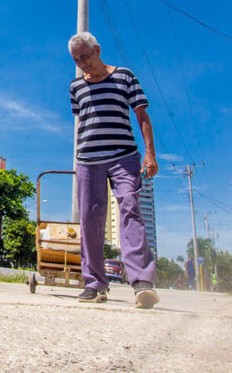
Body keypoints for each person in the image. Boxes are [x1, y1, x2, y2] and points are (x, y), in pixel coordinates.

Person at [68, 32, 159, 309]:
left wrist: (150, 154)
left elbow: (141, 115)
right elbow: (83, 121)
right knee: (90, 220)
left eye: (85, 55)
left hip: (124, 157)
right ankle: (95, 284)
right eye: (76, 59)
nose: (82, 62)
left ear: (97, 49)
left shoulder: (125, 76)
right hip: (88, 160)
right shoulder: (75, 87)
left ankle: (142, 283)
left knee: (130, 210)